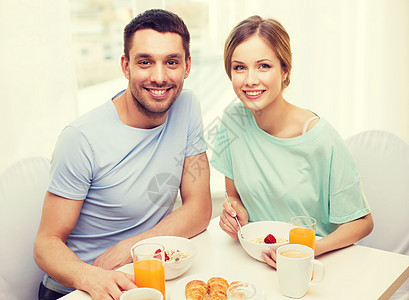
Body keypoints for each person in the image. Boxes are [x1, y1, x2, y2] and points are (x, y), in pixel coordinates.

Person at [34, 9, 212, 300]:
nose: (160, 77)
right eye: (145, 62)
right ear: (125, 66)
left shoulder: (187, 105)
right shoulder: (81, 138)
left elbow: (200, 208)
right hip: (78, 288)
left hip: (143, 276)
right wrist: (93, 276)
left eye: (171, 62)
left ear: (187, 66)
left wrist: (128, 251)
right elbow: (45, 244)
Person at [211, 16, 374, 268]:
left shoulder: (321, 138)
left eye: (263, 66)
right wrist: (235, 214)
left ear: (285, 69)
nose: (250, 80)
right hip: (255, 260)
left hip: (314, 264)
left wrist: (309, 250)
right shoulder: (232, 120)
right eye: (239, 67)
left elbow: (363, 223)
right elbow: (234, 196)